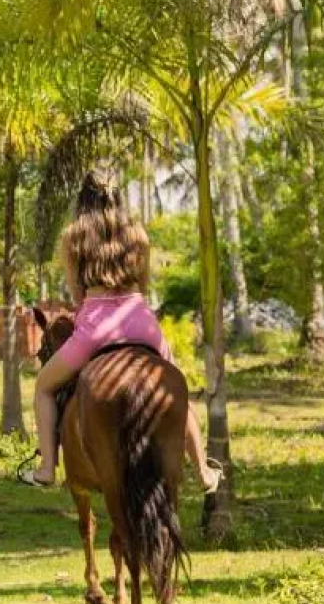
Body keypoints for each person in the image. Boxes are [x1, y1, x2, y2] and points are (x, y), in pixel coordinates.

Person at [20, 179, 222, 494]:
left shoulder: (74, 236)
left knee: (44, 387)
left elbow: (77, 290)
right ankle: (203, 471)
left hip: (96, 328)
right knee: (176, 389)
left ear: (83, 201)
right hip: (139, 320)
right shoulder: (137, 235)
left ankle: (46, 468)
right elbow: (143, 283)